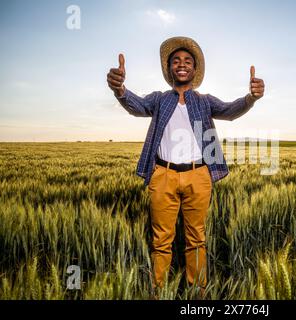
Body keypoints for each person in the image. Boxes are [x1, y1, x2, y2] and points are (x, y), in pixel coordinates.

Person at [106, 36, 265, 294]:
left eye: (187, 61)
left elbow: (230, 110)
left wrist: (251, 97)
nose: (182, 64)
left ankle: (197, 293)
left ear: (194, 69)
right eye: (176, 61)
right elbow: (136, 106)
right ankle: (158, 292)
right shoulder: (159, 99)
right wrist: (120, 90)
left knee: (196, 239)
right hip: (163, 175)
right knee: (161, 241)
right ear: (169, 69)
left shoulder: (203, 101)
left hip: (199, 175)